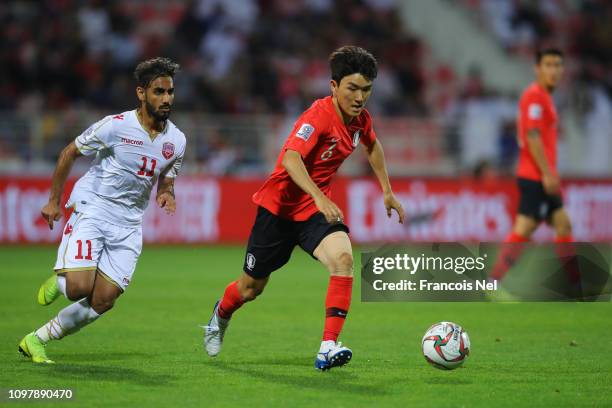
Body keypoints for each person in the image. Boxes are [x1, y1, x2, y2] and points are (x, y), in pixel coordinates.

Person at [202, 46, 405, 371]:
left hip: (313, 213)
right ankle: (220, 315)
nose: (360, 97)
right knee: (250, 288)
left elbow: (373, 144)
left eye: (366, 90)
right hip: (278, 211)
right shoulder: (318, 116)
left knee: (343, 259)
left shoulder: (360, 120)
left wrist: (387, 190)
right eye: (352, 88)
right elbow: (290, 158)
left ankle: (327, 346)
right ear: (334, 87)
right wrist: (319, 195)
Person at [19, 57, 186, 363]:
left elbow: (166, 179)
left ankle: (36, 339)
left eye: (170, 92)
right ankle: (61, 281)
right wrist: (54, 200)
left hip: (130, 225)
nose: (166, 99)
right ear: (141, 93)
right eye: (159, 92)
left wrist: (167, 194)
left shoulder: (177, 140)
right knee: (77, 288)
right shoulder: (116, 126)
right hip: (95, 211)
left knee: (104, 300)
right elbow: (70, 152)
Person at [490, 48, 578, 288]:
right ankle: (492, 281)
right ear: (537, 68)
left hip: (540, 175)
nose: (554, 70)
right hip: (536, 176)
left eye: (558, 65)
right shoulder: (535, 96)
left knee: (562, 224)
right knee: (525, 228)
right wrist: (548, 173)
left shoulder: (544, 97)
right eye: (548, 64)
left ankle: (576, 285)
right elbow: (532, 136)